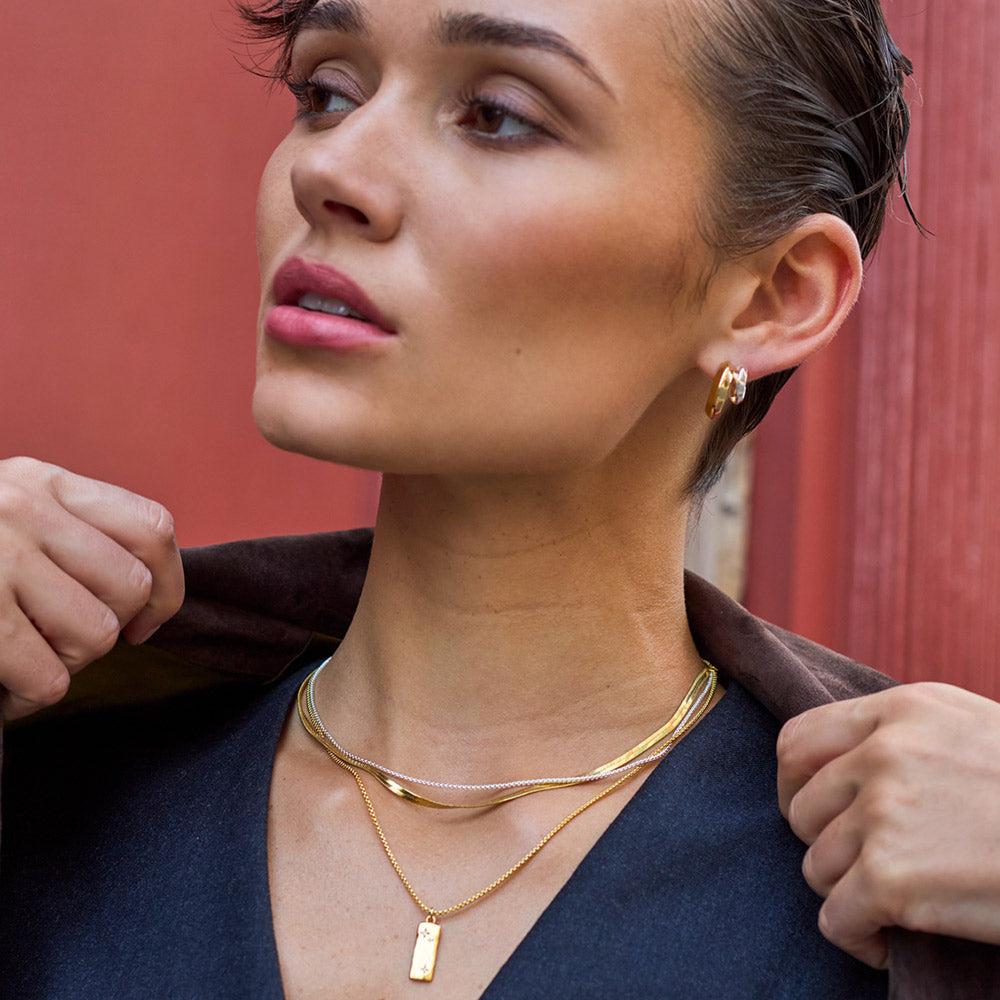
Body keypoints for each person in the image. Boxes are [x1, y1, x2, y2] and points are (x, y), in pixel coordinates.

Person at [1, 0, 999, 996]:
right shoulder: (55, 790)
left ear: (773, 294)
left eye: (497, 114)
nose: (330, 167)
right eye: (326, 92)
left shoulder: (907, 901)